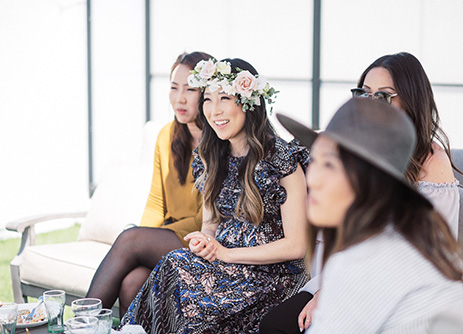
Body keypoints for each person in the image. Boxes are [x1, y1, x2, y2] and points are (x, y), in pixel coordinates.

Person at [260, 51, 463, 334]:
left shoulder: (431, 162)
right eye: (364, 94)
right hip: (346, 277)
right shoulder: (355, 155)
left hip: (394, 286)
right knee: (275, 324)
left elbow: (428, 252)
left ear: (411, 99)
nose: (370, 104)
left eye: (383, 96)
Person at [120, 57, 309, 333]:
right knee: (157, 270)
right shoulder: (211, 155)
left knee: (174, 266)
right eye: (208, 99)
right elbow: (210, 225)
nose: (214, 110)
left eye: (224, 98)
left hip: (270, 277)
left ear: (248, 103)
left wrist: (228, 254)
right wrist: (205, 243)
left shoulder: (280, 158)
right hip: (222, 265)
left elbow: (296, 246)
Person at [86, 51, 212, 317]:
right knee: (132, 282)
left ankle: (83, 323)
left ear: (207, 93)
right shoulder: (166, 135)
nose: (179, 98)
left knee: (130, 239)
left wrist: (142, 240)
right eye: (174, 87)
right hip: (168, 238)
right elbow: (157, 202)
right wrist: (147, 239)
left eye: (190, 89)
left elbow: (206, 221)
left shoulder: (219, 143)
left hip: (202, 241)